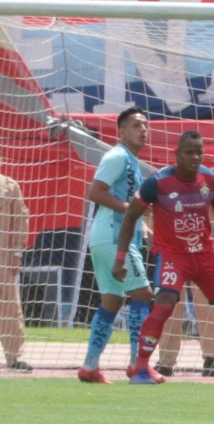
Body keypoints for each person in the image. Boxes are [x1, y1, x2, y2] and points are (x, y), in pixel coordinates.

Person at [113, 132, 214, 386]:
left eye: (198, 152)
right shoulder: (157, 183)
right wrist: (121, 256)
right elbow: (130, 217)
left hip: (205, 255)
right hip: (173, 256)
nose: (194, 157)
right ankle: (141, 368)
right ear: (177, 154)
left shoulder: (212, 180)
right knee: (165, 304)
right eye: (189, 152)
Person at [78, 107, 158, 384]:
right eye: (136, 125)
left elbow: (122, 200)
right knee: (143, 294)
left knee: (111, 301)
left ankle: (90, 366)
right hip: (113, 237)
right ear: (121, 131)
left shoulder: (130, 160)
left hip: (105, 236)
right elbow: (95, 191)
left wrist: (143, 226)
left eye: (146, 125)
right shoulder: (116, 156)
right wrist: (131, 210)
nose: (143, 129)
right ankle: (139, 365)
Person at [155, 198, 214, 378]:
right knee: (170, 308)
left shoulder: (206, 184)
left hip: (203, 255)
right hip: (174, 255)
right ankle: (166, 361)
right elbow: (148, 210)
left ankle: (212, 360)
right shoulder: (167, 185)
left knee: (208, 308)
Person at [0, 169, 30, 372]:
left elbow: (21, 219)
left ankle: (14, 357)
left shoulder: (9, 185)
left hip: (2, 255)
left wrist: (17, 252)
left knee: (10, 305)